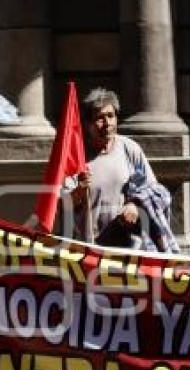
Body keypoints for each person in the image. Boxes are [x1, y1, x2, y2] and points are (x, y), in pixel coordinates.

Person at [63, 87, 178, 253]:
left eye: (111, 116)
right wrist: (79, 191)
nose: (107, 123)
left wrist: (134, 205)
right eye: (100, 118)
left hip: (130, 248)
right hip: (89, 249)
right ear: (87, 124)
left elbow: (154, 190)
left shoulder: (129, 149)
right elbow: (63, 205)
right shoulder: (77, 156)